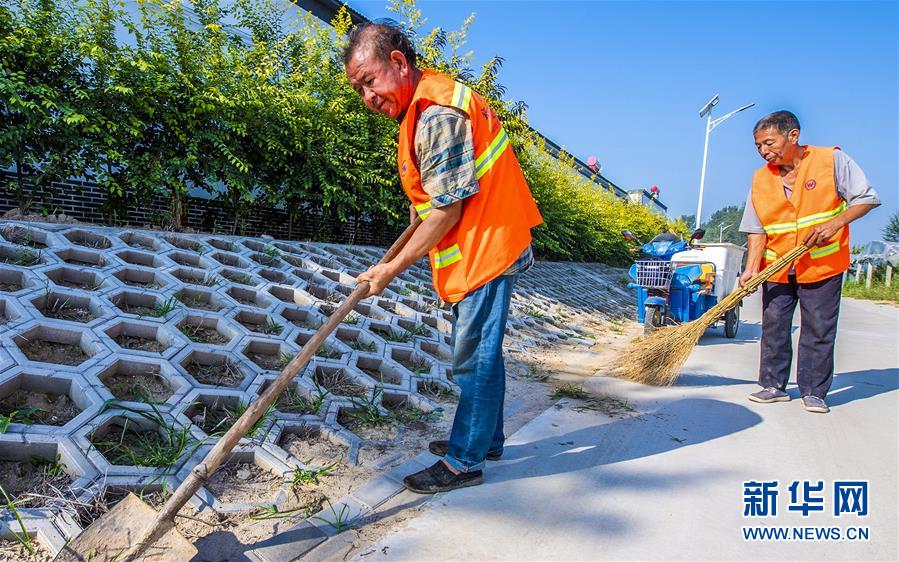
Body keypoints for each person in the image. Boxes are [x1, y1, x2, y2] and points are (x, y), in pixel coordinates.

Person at [343, 21, 543, 492]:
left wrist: (390, 269)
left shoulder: (434, 114)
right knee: (482, 356)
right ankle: (485, 440)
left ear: (397, 62)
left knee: (473, 358)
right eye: (358, 89)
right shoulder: (426, 103)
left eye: (369, 80)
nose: (367, 96)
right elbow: (438, 196)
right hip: (484, 244)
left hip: (486, 248)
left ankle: (463, 462)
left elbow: (446, 210)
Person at [738, 110, 879, 413]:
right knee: (774, 327)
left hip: (822, 266)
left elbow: (866, 198)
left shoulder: (831, 160)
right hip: (776, 265)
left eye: (769, 143)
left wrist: (834, 224)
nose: (764, 151)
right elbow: (756, 228)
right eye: (758, 146)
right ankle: (772, 385)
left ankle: (813, 391)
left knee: (818, 329)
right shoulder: (760, 178)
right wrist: (752, 269)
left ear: (793, 136)